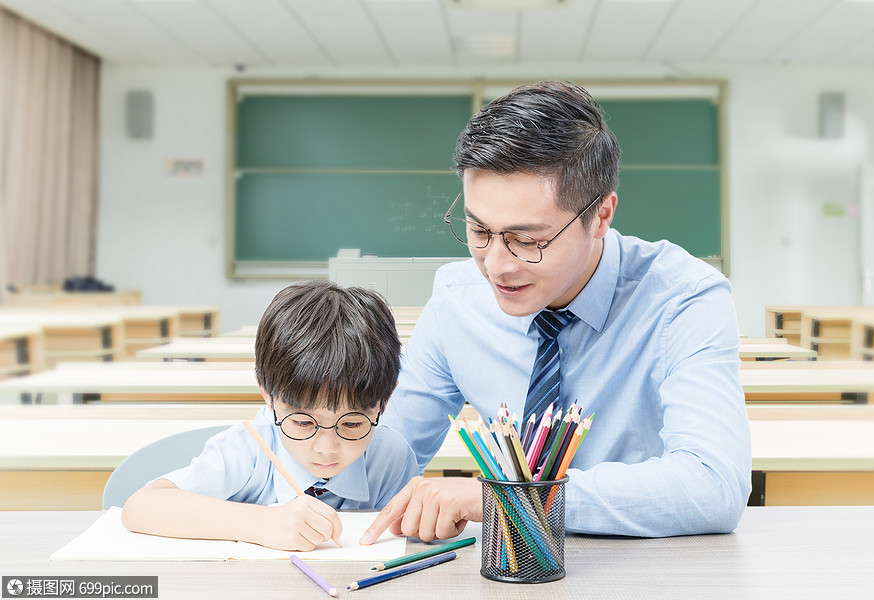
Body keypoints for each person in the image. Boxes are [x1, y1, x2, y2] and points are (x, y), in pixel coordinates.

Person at [360, 80, 751, 544]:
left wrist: (506, 497)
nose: (497, 266)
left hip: (640, 568)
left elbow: (713, 486)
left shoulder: (683, 299)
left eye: (528, 240)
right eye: (478, 229)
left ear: (601, 215)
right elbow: (385, 453)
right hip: (503, 571)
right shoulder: (456, 298)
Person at [122, 280, 418, 551]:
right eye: (302, 422)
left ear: (386, 398)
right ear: (266, 393)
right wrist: (259, 522)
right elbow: (140, 506)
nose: (326, 447)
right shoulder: (247, 450)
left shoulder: (390, 457)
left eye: (353, 423)